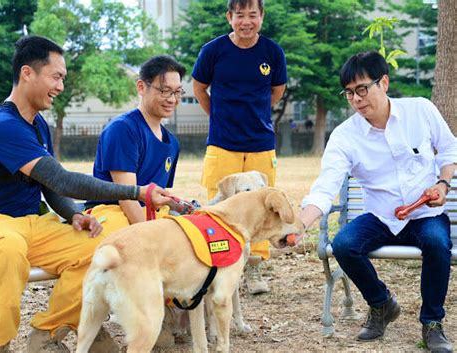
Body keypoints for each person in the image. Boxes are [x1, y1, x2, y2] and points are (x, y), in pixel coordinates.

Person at [0, 36, 175, 353]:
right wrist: (138, 192)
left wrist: (73, 214)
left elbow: (48, 186)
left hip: (29, 224)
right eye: (56, 76)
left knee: (103, 248)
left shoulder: (38, 125)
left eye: (63, 78)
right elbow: (62, 179)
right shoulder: (1, 125)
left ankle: (49, 333)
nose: (60, 86)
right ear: (28, 73)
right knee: (9, 249)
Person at [300, 51, 457, 352]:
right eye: (349, 93)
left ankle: (432, 323)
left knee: (438, 244)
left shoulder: (420, 110)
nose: (356, 99)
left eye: (362, 89)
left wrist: (443, 183)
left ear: (383, 82)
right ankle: (382, 304)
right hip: (381, 216)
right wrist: (301, 224)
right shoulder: (345, 136)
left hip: (424, 212)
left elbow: (449, 150)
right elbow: (326, 185)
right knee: (344, 245)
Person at [191, 0, 287, 294]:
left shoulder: (272, 52)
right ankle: (218, 266)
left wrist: (255, 116)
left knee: (263, 207)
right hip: (222, 143)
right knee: (220, 205)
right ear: (229, 17)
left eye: (253, 15)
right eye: (240, 15)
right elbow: (198, 87)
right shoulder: (213, 51)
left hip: (260, 143)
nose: (247, 21)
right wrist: (219, 116)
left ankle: (255, 270)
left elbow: (276, 91)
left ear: (262, 17)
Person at [85, 55, 185, 235]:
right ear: (141, 87)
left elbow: (158, 195)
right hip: (113, 216)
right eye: (164, 90)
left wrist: (178, 205)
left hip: (149, 217)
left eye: (177, 92)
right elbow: (126, 197)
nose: (172, 99)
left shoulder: (172, 143)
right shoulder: (123, 129)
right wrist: (151, 237)